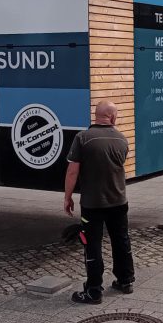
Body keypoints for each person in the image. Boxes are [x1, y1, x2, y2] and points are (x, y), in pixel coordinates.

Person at [64, 101, 134, 304]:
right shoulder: (122, 139)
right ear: (112, 117)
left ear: (97, 116)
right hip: (119, 201)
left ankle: (94, 291)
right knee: (121, 240)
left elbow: (72, 171)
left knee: (92, 245)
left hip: (92, 203)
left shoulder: (82, 138)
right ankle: (125, 280)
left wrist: (68, 197)